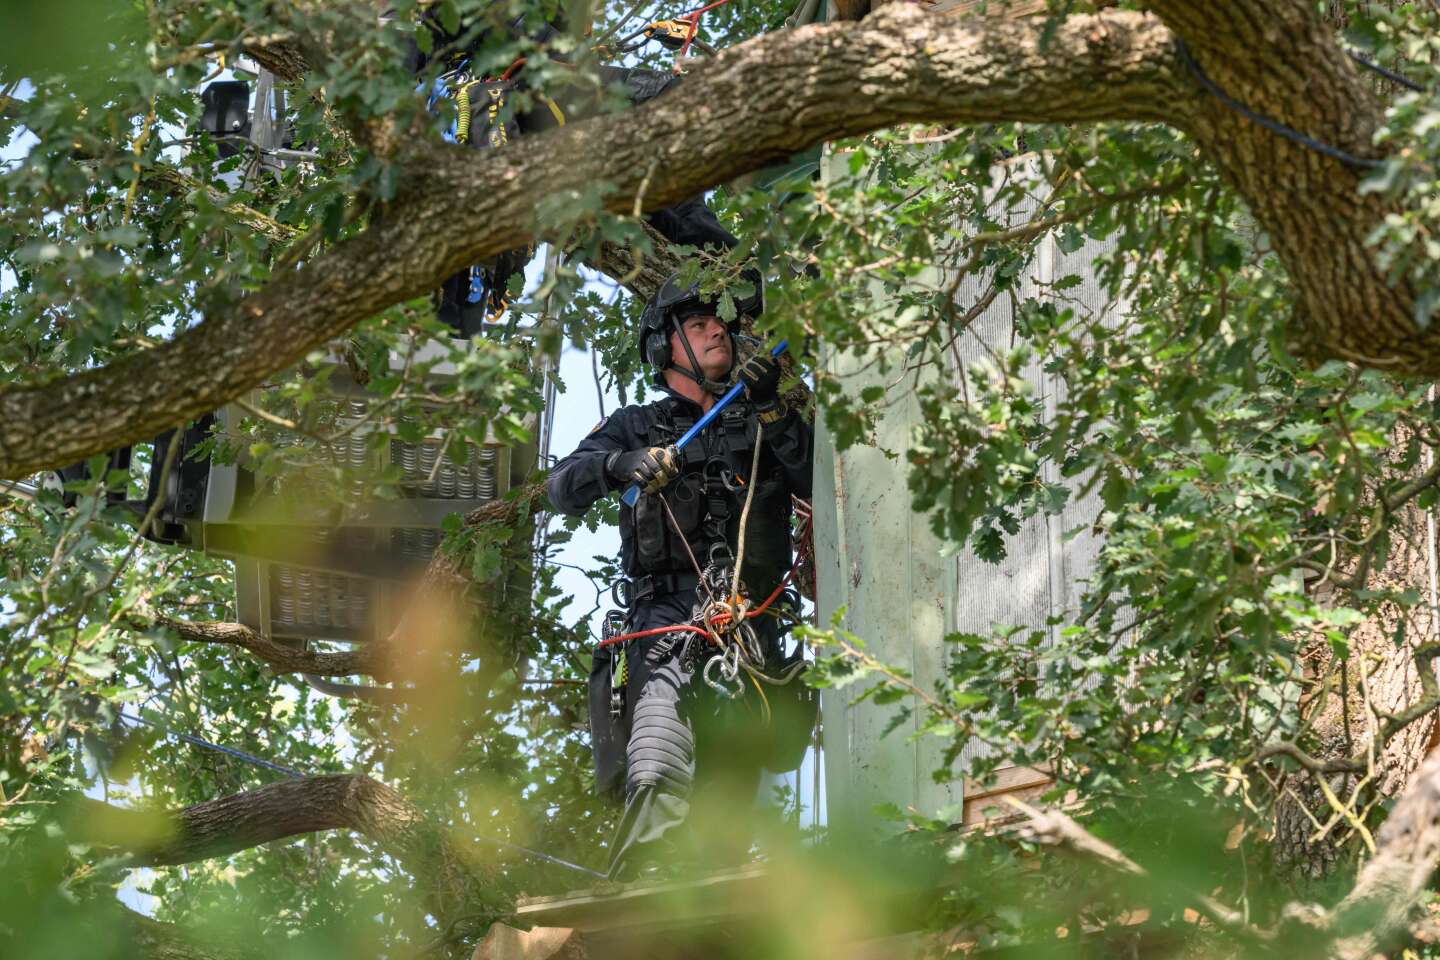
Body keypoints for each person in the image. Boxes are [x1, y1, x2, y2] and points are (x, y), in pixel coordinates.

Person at [546, 274, 815, 880]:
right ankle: (644, 874)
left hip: (751, 627)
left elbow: (818, 483)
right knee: (660, 744)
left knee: (732, 779)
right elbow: (561, 486)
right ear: (664, 348)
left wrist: (772, 405)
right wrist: (620, 463)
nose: (718, 329)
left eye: (720, 322)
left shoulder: (766, 417)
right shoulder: (639, 425)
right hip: (666, 617)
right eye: (698, 325)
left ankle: (709, 894)